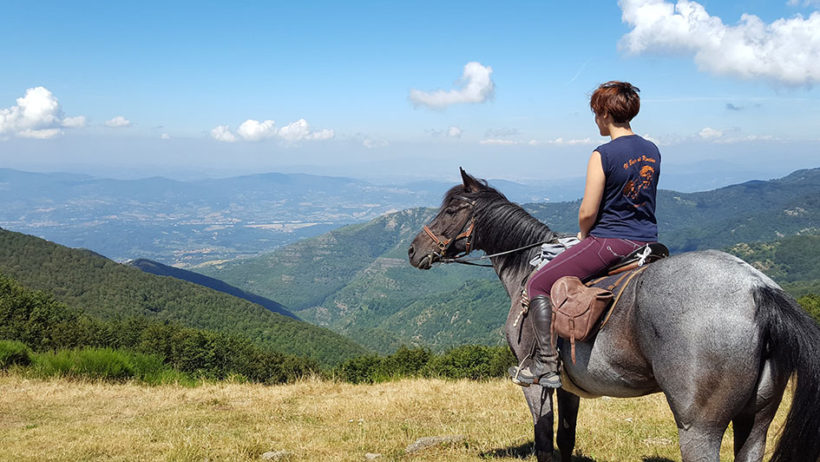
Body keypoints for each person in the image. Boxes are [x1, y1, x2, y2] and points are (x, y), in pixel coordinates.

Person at [512, 81, 661, 388]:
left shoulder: (603, 154)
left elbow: (588, 212)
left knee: (538, 282)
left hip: (609, 242)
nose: (595, 119)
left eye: (596, 113)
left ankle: (546, 364)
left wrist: (583, 235)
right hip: (647, 241)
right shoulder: (652, 150)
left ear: (605, 114)